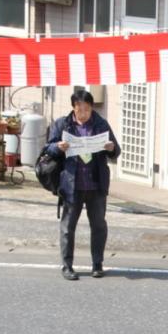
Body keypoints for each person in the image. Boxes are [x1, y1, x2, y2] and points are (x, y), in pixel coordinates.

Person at [45, 89, 119, 281]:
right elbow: (48, 148)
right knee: (68, 227)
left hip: (95, 184)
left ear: (91, 108)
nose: (83, 114)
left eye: (87, 109)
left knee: (99, 225)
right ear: (73, 108)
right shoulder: (63, 124)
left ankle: (97, 264)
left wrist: (111, 148)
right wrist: (58, 147)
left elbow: (115, 151)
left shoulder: (100, 124)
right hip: (72, 184)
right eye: (79, 110)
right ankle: (67, 265)